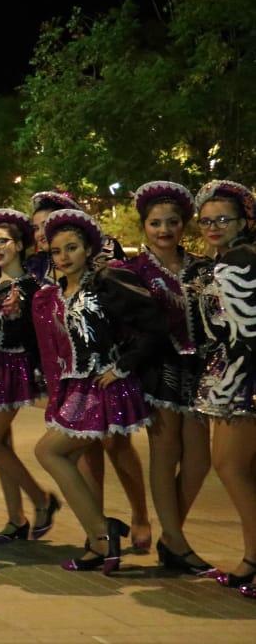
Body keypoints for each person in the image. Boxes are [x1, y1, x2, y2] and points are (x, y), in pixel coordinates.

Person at [31, 209, 162, 574]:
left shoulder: (107, 281)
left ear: (88, 248)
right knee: (63, 458)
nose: (64, 257)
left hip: (103, 387)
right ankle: (99, 539)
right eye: (56, 251)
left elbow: (153, 325)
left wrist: (122, 366)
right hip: (78, 388)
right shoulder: (57, 292)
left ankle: (104, 533)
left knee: (50, 452)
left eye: (71, 247)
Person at [118, 181, 215, 575]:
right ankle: (176, 542)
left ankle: (172, 538)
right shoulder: (132, 272)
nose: (164, 230)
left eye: (172, 222)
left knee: (200, 460)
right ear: (144, 226)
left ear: (183, 224)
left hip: (200, 370)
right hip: (158, 370)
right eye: (155, 223)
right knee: (165, 451)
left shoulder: (201, 267)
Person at [0, 208, 56, 543]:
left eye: (3, 242)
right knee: (1, 443)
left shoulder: (33, 288)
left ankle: (41, 499)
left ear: (19, 245)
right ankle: (15, 519)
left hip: (13, 368)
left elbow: (38, 337)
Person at [190, 179, 256, 595]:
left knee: (231, 466)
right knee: (240, 469)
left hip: (245, 373)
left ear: (244, 221)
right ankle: (251, 557)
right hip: (234, 368)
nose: (213, 227)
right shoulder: (226, 260)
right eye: (206, 221)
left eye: (222, 220)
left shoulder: (241, 260)